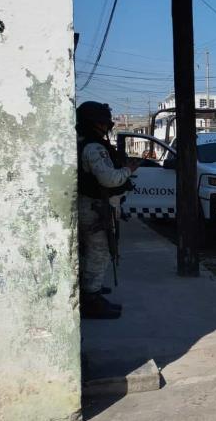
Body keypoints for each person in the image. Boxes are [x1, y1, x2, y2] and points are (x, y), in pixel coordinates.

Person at [76, 101, 140, 319]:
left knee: (92, 252)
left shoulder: (84, 143)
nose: (107, 126)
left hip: (94, 206)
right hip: (96, 209)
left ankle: (89, 290)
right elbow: (110, 179)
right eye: (104, 122)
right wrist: (128, 170)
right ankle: (90, 299)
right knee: (100, 252)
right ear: (96, 123)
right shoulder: (93, 147)